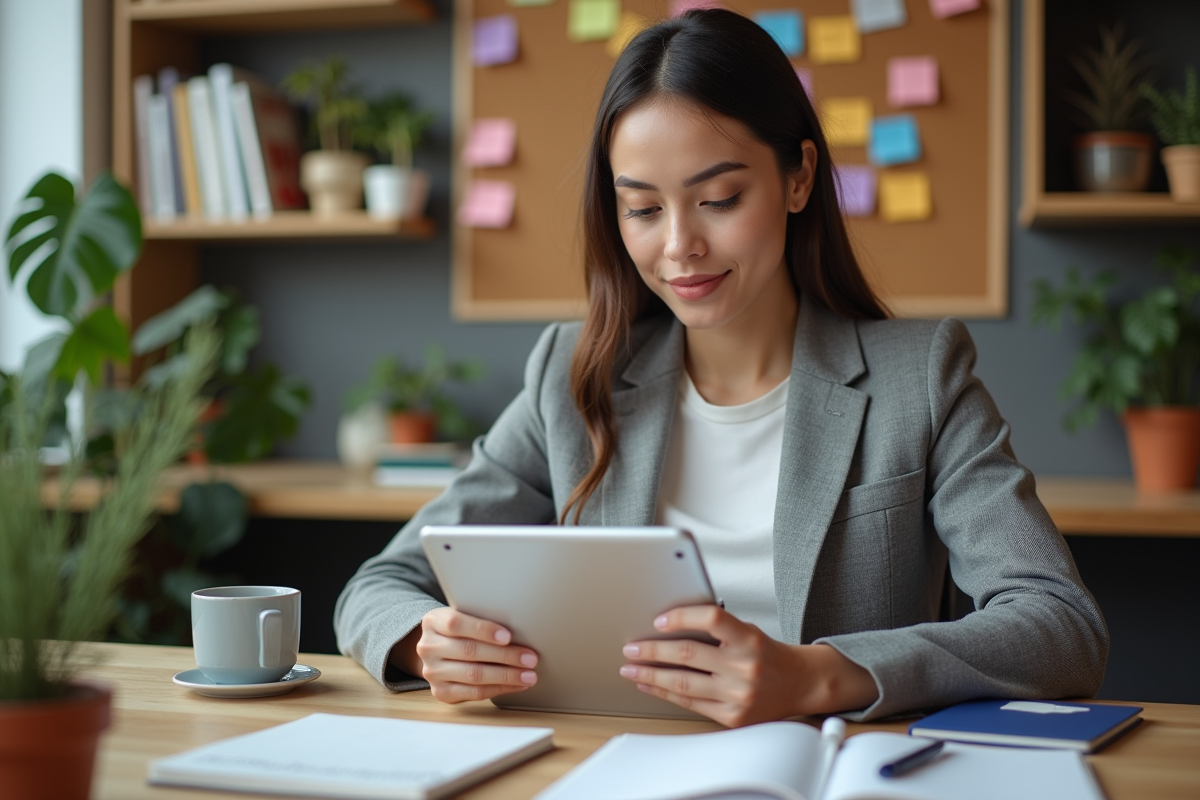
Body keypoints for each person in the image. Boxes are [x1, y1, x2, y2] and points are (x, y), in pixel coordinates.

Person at [335, 9, 1108, 726]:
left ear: (798, 177)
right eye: (642, 209)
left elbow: (1059, 624)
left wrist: (816, 676)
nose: (679, 247)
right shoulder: (575, 377)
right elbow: (377, 588)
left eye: (720, 198)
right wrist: (421, 641)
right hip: (612, 764)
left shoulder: (922, 376)